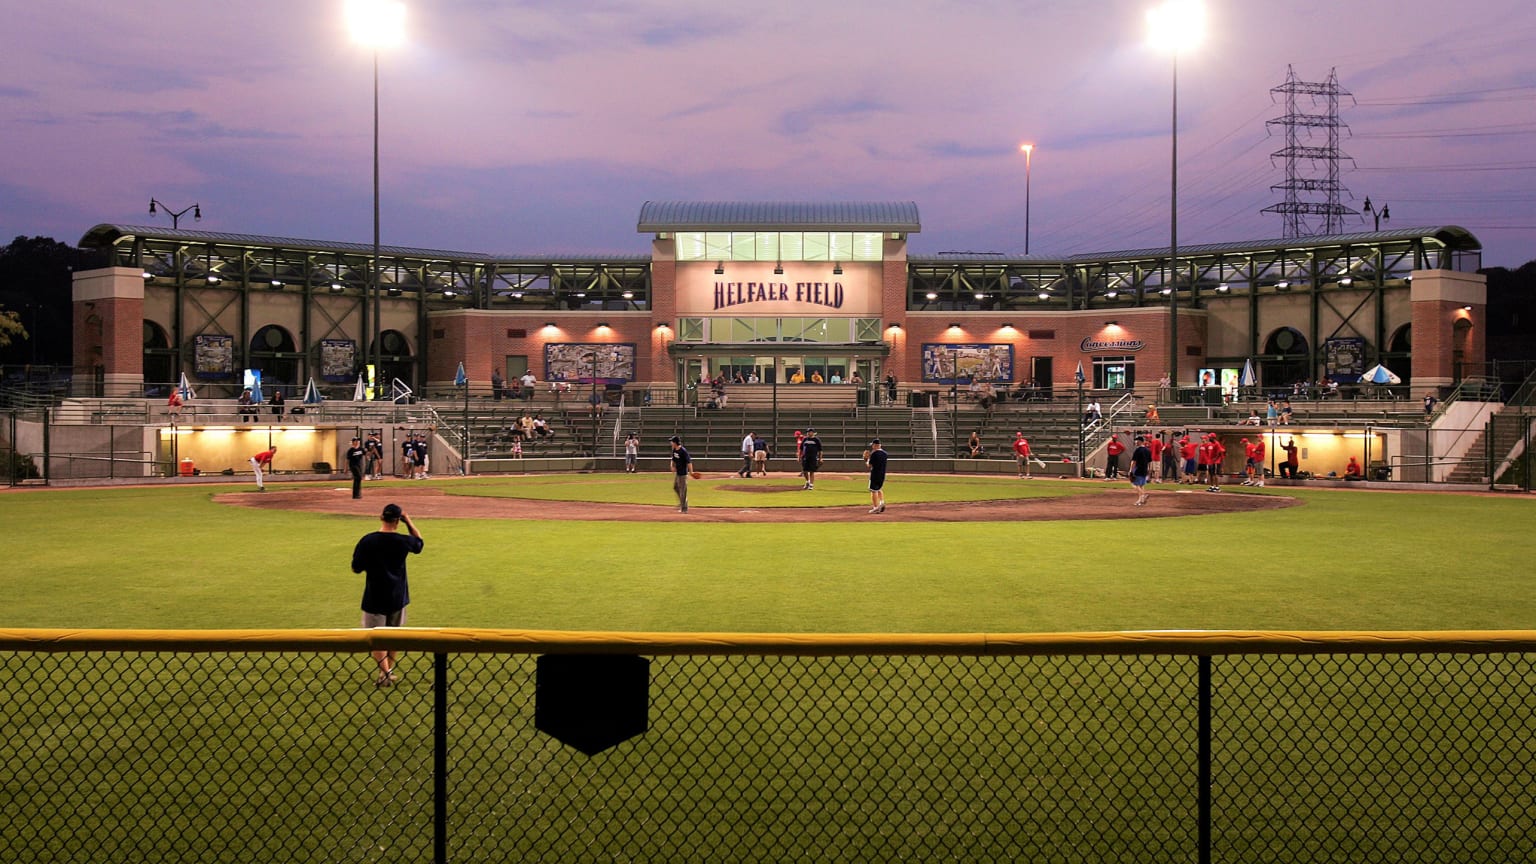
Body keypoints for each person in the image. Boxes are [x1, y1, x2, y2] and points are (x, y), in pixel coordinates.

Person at [350, 502, 424, 688]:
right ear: (398, 521)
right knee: (393, 637)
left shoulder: (368, 540)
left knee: (376, 639)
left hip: (374, 597)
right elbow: (419, 543)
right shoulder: (402, 541)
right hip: (397, 596)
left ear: (381, 517)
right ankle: (386, 672)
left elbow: (356, 568)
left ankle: (385, 673)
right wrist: (409, 521)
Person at [668, 435, 693, 513]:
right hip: (678, 473)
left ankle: (684, 508)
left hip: (683, 474)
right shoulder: (674, 449)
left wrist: (691, 472)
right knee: (676, 487)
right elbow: (673, 459)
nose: (671, 443)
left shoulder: (683, 451)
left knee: (683, 491)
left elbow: (689, 462)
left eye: (672, 441)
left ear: (675, 442)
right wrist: (672, 466)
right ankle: (682, 503)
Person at [1129, 435, 1154, 506]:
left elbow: (1134, 461)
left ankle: (1144, 494)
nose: (1136, 442)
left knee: (1135, 484)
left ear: (1140, 441)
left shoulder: (1137, 450)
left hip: (1138, 469)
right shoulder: (1147, 450)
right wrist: (1149, 471)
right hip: (1144, 469)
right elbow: (1150, 462)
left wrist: (1131, 470)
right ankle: (1140, 500)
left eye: (1137, 440)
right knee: (1141, 485)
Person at [865, 438, 888, 514]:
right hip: (882, 474)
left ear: (875, 445)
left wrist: (866, 459)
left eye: (873, 445)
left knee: (873, 490)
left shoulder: (874, 454)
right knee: (879, 488)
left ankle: (875, 507)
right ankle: (882, 502)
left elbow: (869, 465)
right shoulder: (885, 453)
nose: (872, 447)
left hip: (875, 474)